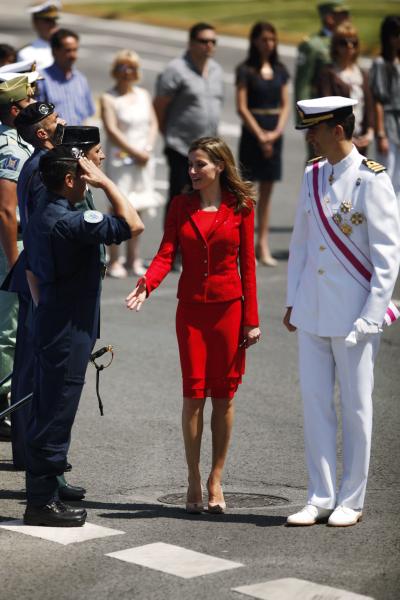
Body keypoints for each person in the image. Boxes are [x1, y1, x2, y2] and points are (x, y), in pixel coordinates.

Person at [126, 137, 260, 514]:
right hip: (191, 315)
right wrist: (146, 284)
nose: (192, 172)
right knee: (193, 397)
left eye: (199, 164)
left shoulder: (241, 207)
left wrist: (251, 321)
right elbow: (167, 252)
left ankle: (217, 477)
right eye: (190, 165)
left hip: (229, 311)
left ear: (219, 166)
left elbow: (247, 267)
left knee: (224, 397)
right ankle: (192, 477)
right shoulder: (182, 205)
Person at [283, 96, 400, 527]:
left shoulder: (372, 180)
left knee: (355, 407)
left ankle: (352, 498)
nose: (309, 136)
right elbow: (300, 241)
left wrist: (372, 315)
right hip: (313, 308)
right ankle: (319, 495)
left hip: (354, 315)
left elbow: (388, 255)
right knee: (315, 404)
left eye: (314, 129)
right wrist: (293, 300)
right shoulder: (314, 174)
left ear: (337, 129)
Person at [23, 146, 144, 526]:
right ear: (71, 180)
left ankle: (48, 489)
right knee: (56, 413)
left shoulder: (44, 213)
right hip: (67, 329)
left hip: (54, 320)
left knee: (50, 407)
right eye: (83, 172)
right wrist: (107, 183)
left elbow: (30, 272)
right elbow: (133, 225)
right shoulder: (73, 222)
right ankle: (41, 502)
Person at [101, 50, 162, 278]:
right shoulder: (109, 97)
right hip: (122, 158)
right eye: (123, 67)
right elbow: (112, 129)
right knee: (118, 206)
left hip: (144, 157)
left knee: (140, 206)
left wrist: (147, 149)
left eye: (132, 67)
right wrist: (134, 151)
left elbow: (153, 123)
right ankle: (115, 258)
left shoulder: (144, 94)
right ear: (116, 70)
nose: (127, 72)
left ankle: (133, 258)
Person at [153, 23, 223, 221]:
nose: (209, 45)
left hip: (209, 149)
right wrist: (166, 133)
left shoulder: (217, 70)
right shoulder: (176, 69)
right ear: (191, 43)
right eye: (203, 41)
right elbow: (159, 105)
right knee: (180, 197)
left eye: (213, 41)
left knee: (205, 197)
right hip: (181, 148)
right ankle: (172, 247)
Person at [236, 22, 290, 267]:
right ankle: (244, 244)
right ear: (255, 41)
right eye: (264, 39)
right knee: (248, 191)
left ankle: (263, 243)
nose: (269, 43)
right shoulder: (246, 70)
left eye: (272, 39)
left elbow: (286, 103)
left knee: (268, 192)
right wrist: (260, 134)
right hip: (253, 131)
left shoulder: (280, 70)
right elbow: (241, 106)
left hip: (274, 130)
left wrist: (276, 132)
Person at [0, 76, 35, 440]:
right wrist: (14, 266)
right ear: (15, 109)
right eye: (27, 100)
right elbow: (7, 211)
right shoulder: (10, 146)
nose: (33, 102)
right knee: (9, 332)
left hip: (15, 242)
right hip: (12, 244)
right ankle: (2, 407)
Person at [317, 21, 374, 155]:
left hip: (361, 139)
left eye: (353, 42)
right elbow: (328, 110)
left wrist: (370, 132)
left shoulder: (362, 74)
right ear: (336, 46)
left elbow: (369, 106)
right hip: (338, 140)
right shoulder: (328, 74)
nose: (349, 46)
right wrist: (346, 138)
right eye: (343, 42)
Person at [35, 28, 95, 125]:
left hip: (79, 138)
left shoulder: (81, 80)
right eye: (68, 51)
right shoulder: (41, 80)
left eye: (75, 50)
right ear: (54, 51)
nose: (73, 55)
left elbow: (87, 117)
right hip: (55, 139)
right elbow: (37, 119)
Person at [294, 1, 350, 104]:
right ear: (330, 18)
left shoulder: (349, 43)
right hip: (322, 109)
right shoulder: (312, 45)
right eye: (343, 15)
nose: (348, 19)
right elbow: (303, 85)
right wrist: (304, 116)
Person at [369, 15, 400, 200]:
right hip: (388, 123)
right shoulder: (380, 64)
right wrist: (380, 133)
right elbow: (378, 100)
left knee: (399, 180)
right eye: (396, 34)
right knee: (386, 175)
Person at [17, 1, 60, 71]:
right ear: (35, 23)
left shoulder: (65, 48)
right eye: (48, 20)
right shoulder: (26, 53)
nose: (53, 24)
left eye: (54, 20)